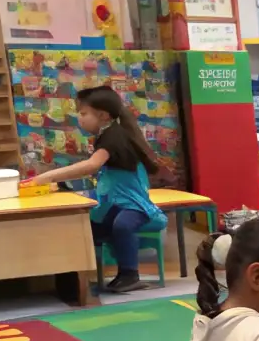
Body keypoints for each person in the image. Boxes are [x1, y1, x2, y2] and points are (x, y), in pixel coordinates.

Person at [31, 86, 166, 293]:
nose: (80, 118)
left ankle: (130, 275)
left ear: (103, 115)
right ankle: (75, 279)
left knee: (122, 225)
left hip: (133, 204)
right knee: (86, 228)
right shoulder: (108, 134)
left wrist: (48, 175)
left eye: (84, 113)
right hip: (114, 203)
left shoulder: (113, 135)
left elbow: (91, 165)